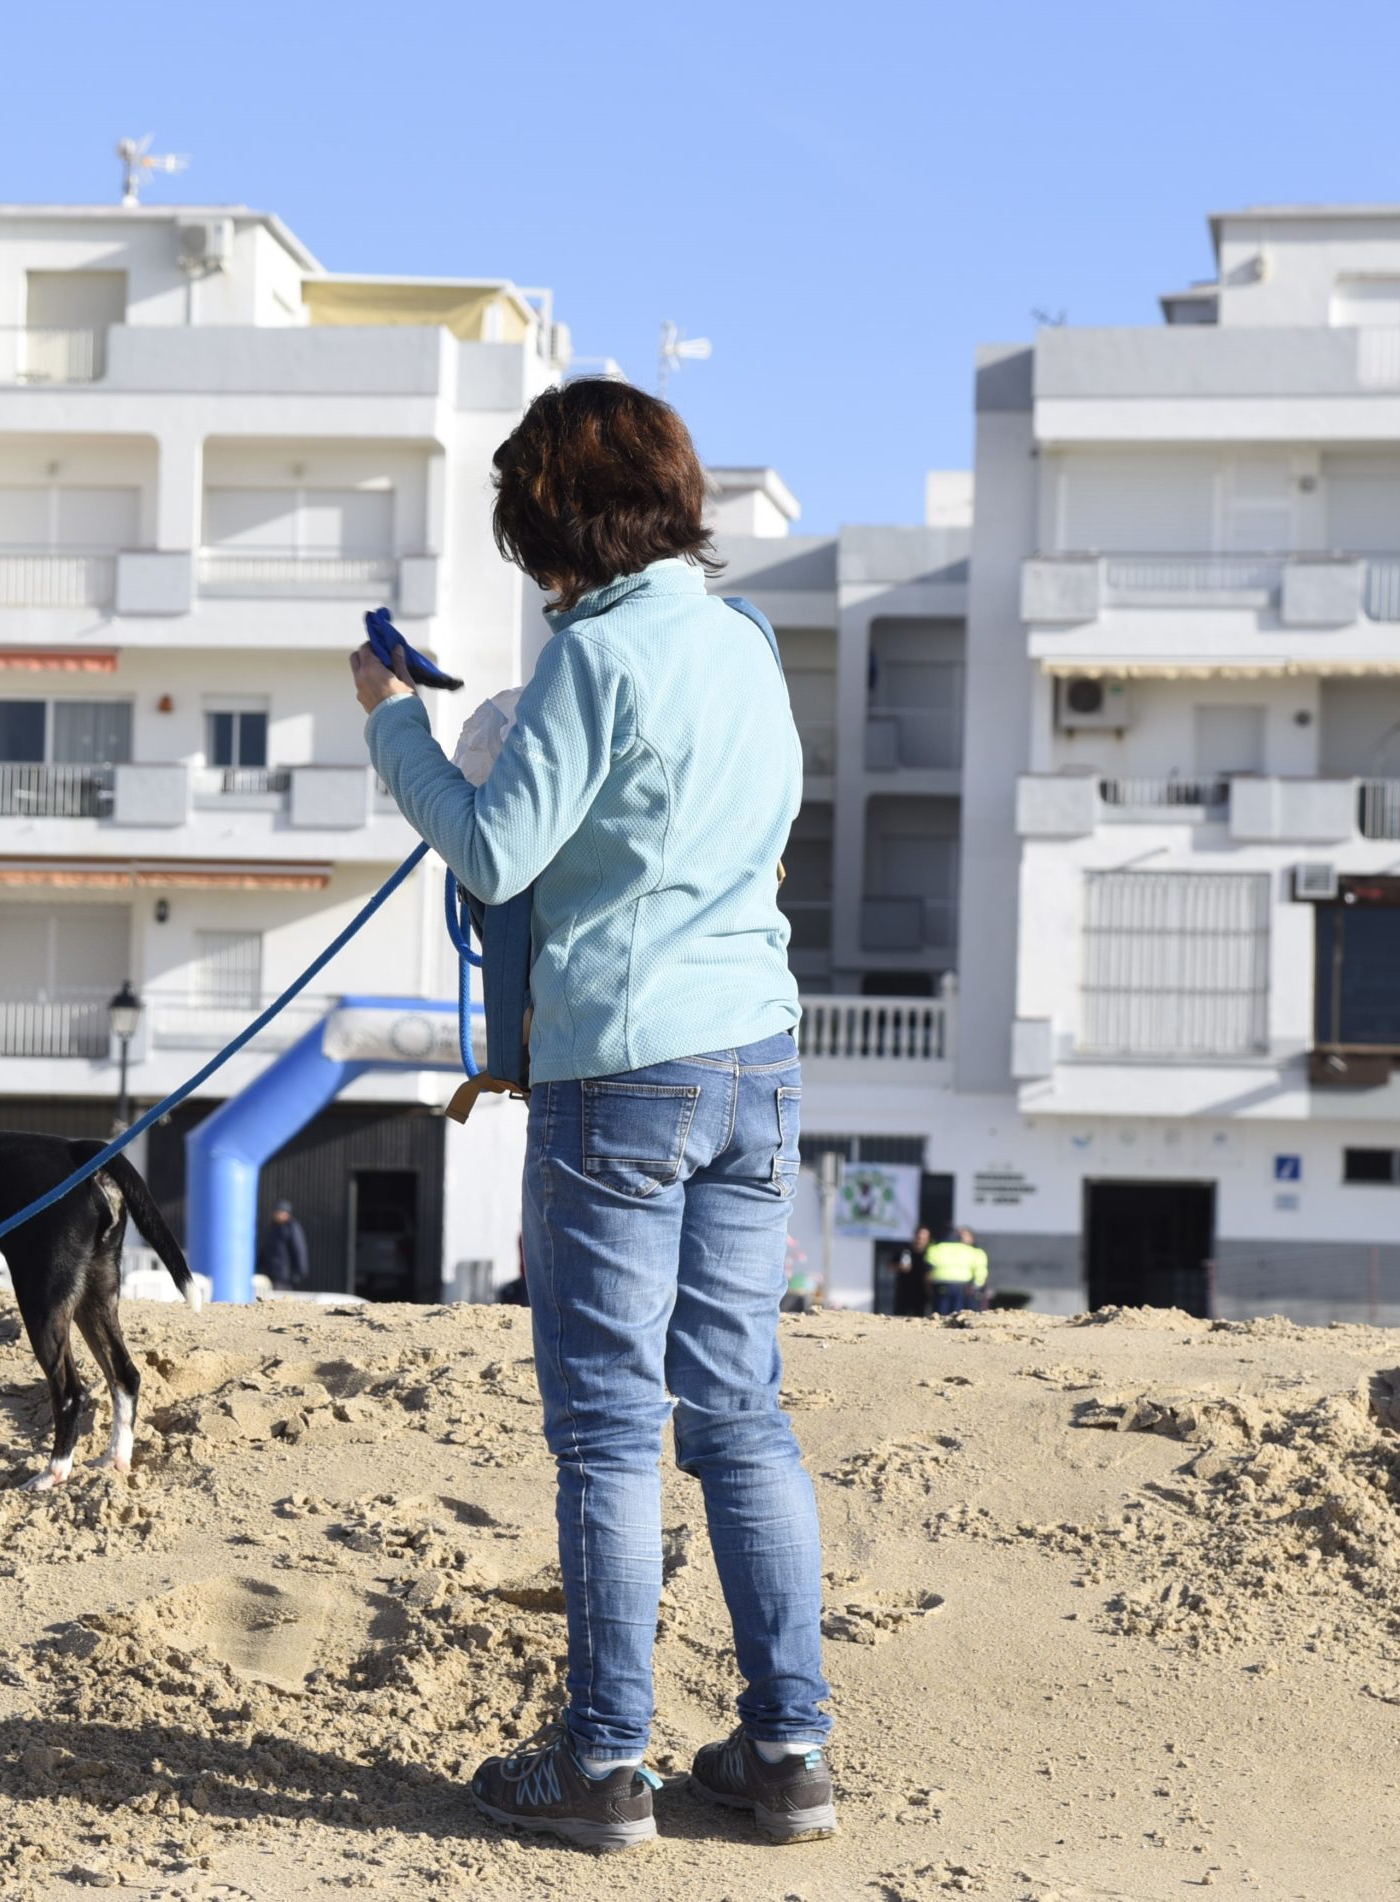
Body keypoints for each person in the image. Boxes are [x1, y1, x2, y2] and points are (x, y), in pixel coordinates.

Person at [354, 379, 831, 1853]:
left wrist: (394, 731)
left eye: (532, 536)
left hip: (621, 1065)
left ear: (562, 525)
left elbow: (497, 852)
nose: (534, 569)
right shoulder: (747, 643)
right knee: (740, 1413)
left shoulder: (593, 657)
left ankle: (605, 1762)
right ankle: (788, 1749)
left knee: (613, 1430)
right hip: (756, 1054)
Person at [923, 1226, 989, 1315]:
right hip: (963, 1289)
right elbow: (981, 1274)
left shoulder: (935, 1248)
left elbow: (928, 1273)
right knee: (959, 1317)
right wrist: (975, 1287)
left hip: (941, 1288)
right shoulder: (974, 1252)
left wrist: (929, 1289)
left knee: (939, 1317)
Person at [258, 1200, 308, 1291]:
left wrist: (300, 1271)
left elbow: (299, 1250)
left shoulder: (292, 1228)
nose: (277, 1215)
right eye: (276, 1212)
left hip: (284, 1275)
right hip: (270, 1273)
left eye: (280, 1212)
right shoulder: (272, 1228)